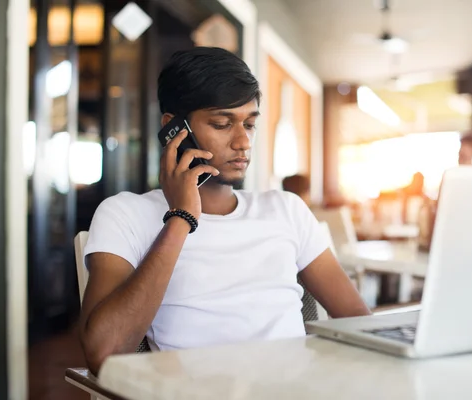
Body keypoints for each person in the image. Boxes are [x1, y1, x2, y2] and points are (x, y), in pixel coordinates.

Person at [79, 47, 370, 375]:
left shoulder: (286, 210)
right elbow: (103, 352)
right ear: (174, 129)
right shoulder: (125, 214)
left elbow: (358, 322)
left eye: (249, 123)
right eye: (221, 123)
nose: (243, 141)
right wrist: (181, 218)